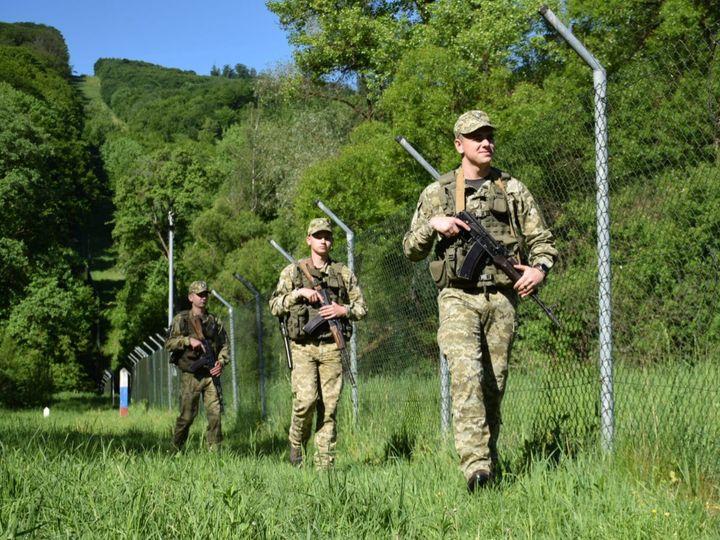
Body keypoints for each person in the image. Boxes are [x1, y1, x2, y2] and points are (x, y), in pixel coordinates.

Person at [402, 110, 558, 492]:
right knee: (466, 377)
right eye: (476, 137)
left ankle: (488, 459)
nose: (486, 142)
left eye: (489, 136)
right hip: (457, 297)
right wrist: (431, 226)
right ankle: (476, 469)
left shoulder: (511, 189)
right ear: (459, 145)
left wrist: (538, 269)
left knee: (493, 385)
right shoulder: (437, 194)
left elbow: (542, 241)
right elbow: (410, 249)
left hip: (502, 299)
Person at [269, 218, 367, 469]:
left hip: (333, 347)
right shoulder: (292, 272)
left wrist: (341, 310)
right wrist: (298, 294)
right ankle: (296, 443)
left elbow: (361, 308)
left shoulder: (342, 272)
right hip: (302, 348)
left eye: (327, 236)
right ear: (308, 240)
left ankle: (324, 465)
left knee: (330, 406)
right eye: (318, 235)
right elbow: (274, 306)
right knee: (305, 401)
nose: (324, 240)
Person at [166, 280, 229, 451]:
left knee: (215, 415)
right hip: (191, 375)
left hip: (210, 375)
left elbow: (224, 345)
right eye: (199, 295)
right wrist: (187, 340)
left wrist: (221, 363)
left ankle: (215, 452)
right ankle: (176, 448)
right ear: (190, 297)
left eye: (205, 294)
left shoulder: (214, 321)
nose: (203, 298)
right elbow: (169, 343)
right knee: (187, 416)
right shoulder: (182, 319)